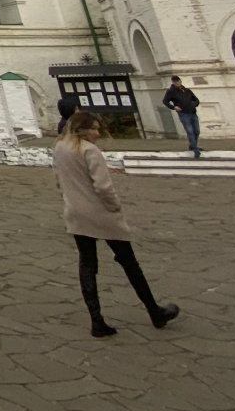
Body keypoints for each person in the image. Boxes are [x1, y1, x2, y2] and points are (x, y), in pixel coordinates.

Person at [54, 110, 179, 337]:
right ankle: (155, 311)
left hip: (76, 213)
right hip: (101, 214)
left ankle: (97, 321)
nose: (96, 133)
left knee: (87, 265)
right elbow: (103, 187)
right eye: (92, 128)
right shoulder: (89, 151)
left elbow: (58, 181)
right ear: (80, 129)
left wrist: (71, 200)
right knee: (129, 263)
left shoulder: (60, 147)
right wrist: (114, 206)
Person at [163, 76, 202, 157]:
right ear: (173, 82)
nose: (177, 83)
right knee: (189, 131)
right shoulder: (171, 92)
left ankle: (192, 145)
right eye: (175, 82)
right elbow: (165, 101)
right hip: (183, 113)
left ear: (180, 81)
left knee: (196, 131)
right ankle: (195, 149)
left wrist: (194, 105)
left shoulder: (187, 90)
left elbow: (196, 99)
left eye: (178, 81)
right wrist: (174, 107)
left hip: (192, 112)